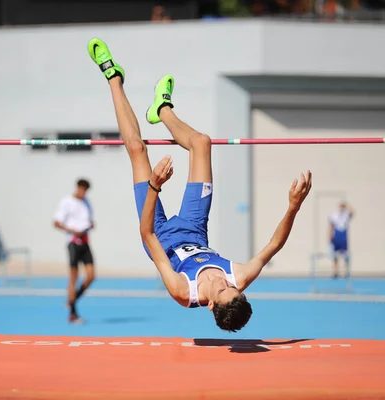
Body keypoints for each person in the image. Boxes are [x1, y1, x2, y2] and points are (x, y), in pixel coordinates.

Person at [87, 38, 312, 332]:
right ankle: (162, 109)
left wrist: (154, 186)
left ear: (209, 304)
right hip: (194, 228)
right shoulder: (238, 277)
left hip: (158, 233)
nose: (223, 281)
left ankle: (112, 76)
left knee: (137, 150)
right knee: (201, 143)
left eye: (221, 289)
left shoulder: (182, 290)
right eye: (231, 287)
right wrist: (294, 206)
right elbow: (274, 245)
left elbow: (147, 234)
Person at [53, 178, 96, 324]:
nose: (83, 193)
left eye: (86, 191)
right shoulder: (67, 201)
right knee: (74, 277)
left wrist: (90, 225)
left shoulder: (87, 202)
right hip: (73, 242)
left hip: (85, 241)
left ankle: (72, 300)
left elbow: (89, 220)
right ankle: (73, 314)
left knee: (91, 276)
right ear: (77, 188)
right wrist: (72, 230)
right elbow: (56, 222)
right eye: (82, 189)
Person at [328, 201, 354, 279]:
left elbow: (353, 212)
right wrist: (330, 236)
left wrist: (347, 206)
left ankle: (346, 271)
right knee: (335, 255)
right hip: (337, 235)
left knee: (346, 255)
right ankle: (335, 271)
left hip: (343, 236)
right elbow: (331, 226)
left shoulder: (346, 214)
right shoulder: (334, 215)